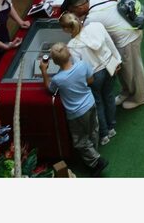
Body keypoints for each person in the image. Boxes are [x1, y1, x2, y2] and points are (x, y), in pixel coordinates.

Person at [74, 0, 144, 110]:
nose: (74, 14)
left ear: (80, 7)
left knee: (134, 70)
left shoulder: (90, 20)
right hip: (126, 33)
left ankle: (141, 97)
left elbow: (92, 40)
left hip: (128, 39)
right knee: (125, 70)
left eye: (73, 11)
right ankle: (127, 92)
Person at [39, 41, 105, 175]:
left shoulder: (58, 79)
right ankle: (93, 155)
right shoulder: (82, 65)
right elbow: (90, 80)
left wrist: (44, 71)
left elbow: (50, 89)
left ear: (54, 62)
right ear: (69, 53)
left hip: (76, 113)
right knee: (93, 130)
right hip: (90, 103)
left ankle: (96, 161)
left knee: (79, 140)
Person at [59, 8, 122, 145]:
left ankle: (104, 134)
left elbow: (79, 67)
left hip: (93, 75)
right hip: (109, 66)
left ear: (66, 29)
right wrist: (117, 60)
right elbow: (110, 43)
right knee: (109, 96)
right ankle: (111, 127)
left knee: (98, 103)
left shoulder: (72, 46)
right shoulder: (97, 26)